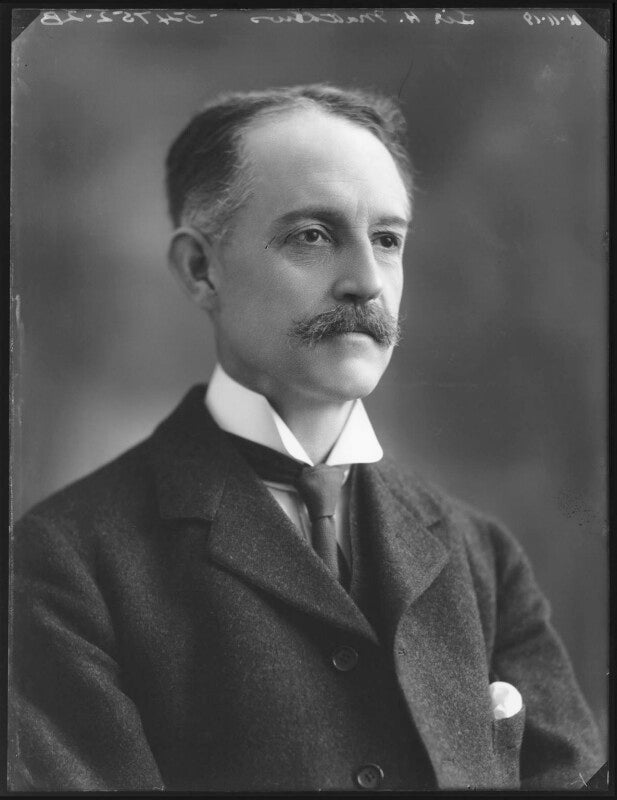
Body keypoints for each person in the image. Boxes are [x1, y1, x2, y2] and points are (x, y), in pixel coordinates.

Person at [9, 84, 604, 792]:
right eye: (312, 236)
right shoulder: (67, 563)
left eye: (387, 240)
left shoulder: (485, 558)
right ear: (201, 269)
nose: (366, 283)